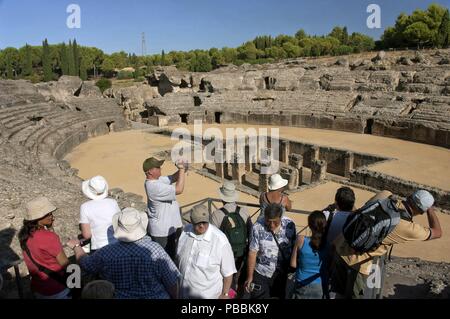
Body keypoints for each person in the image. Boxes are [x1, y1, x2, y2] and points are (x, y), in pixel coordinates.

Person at [331, 189, 442, 299]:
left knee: (338, 293)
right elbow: (437, 232)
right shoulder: (407, 227)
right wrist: (430, 209)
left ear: (410, 196)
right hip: (357, 265)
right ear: (422, 211)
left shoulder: (385, 195)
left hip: (340, 246)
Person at [67, 207, 180, 299]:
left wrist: (76, 246)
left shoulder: (107, 252)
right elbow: (172, 282)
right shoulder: (156, 250)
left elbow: (86, 263)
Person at [176, 204, 237, 299]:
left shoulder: (220, 241)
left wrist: (225, 294)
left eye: (204, 222)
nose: (201, 226)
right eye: (198, 223)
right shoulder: (185, 232)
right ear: (191, 221)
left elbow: (228, 273)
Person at [18, 197, 70, 299]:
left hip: (38, 288)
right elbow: (65, 264)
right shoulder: (49, 237)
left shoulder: (23, 236)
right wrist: (77, 284)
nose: (52, 217)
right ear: (38, 218)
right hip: (57, 288)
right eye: (48, 214)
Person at [245, 203, 297, 299]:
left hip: (281, 274)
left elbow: (295, 247)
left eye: (275, 222)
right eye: (268, 222)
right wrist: (250, 277)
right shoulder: (257, 227)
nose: (272, 225)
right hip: (261, 273)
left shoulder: (290, 225)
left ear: (280, 217)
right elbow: (252, 253)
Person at [210, 181, 252, 294]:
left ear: (222, 197)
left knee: (227, 277)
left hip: (225, 253)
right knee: (239, 276)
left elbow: (212, 237)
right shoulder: (244, 211)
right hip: (242, 252)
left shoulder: (216, 214)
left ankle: (228, 295)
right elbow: (250, 232)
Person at [143, 157, 186, 260]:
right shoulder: (153, 187)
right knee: (165, 260)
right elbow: (179, 189)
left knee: (175, 255)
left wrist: (184, 167)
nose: (160, 168)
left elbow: (173, 177)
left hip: (171, 227)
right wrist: (182, 169)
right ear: (150, 172)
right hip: (162, 233)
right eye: (157, 167)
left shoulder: (157, 180)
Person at [290, 211, 328, 299]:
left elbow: (293, 264)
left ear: (310, 225)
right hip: (320, 285)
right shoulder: (329, 245)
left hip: (302, 283)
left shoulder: (301, 240)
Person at [80, 176, 121, 252]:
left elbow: (87, 235)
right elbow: (119, 222)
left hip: (99, 247)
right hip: (116, 243)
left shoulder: (84, 207)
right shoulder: (113, 202)